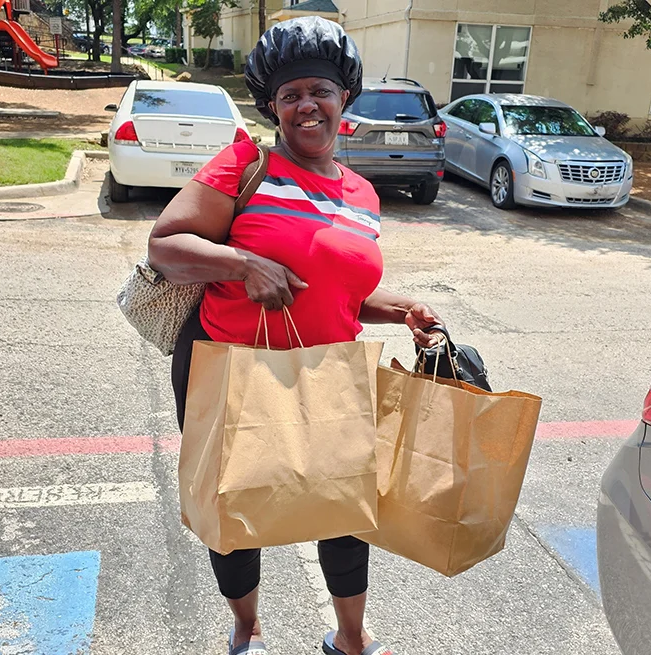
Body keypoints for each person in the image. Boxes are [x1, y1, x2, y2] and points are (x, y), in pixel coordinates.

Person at [147, 16, 443, 655]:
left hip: (328, 371)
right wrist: (241, 263)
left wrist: (403, 312)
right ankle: (247, 628)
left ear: (344, 100)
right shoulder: (245, 164)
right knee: (234, 511)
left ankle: (352, 638)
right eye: (290, 95)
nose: (306, 104)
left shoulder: (363, 194)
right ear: (274, 106)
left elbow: (338, 292)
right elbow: (166, 246)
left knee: (343, 509)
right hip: (232, 368)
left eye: (320, 90)